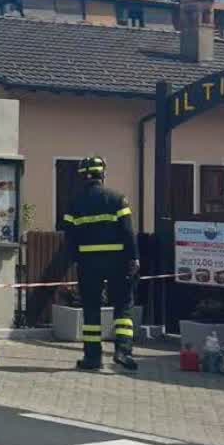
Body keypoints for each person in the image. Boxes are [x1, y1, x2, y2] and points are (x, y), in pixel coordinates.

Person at [60, 154, 139, 371]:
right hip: (118, 262)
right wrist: (133, 258)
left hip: (88, 264)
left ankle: (92, 357)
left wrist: (76, 260)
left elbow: (69, 237)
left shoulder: (74, 204)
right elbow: (128, 232)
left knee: (91, 308)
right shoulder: (117, 199)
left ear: (81, 176)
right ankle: (123, 351)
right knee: (123, 306)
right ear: (102, 174)